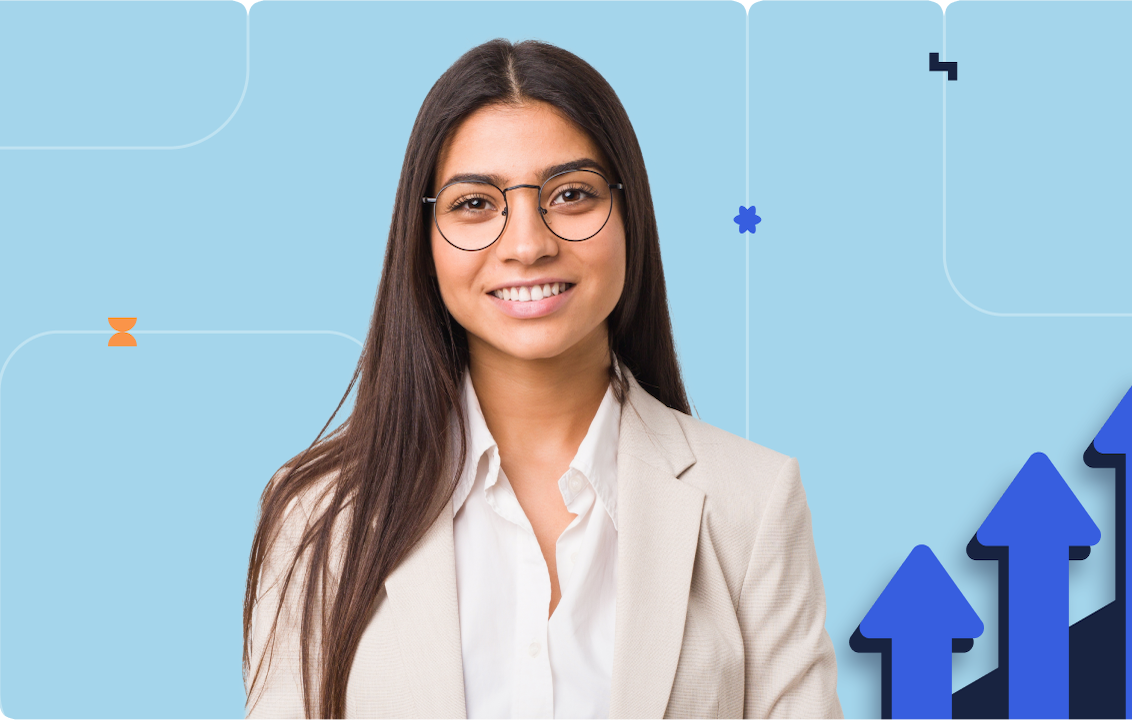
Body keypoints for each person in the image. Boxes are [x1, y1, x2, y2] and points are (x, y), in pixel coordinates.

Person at [242, 37, 843, 720]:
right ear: (423, 239)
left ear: (630, 215)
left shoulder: (752, 500)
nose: (527, 244)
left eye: (571, 195)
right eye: (475, 205)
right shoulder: (321, 513)